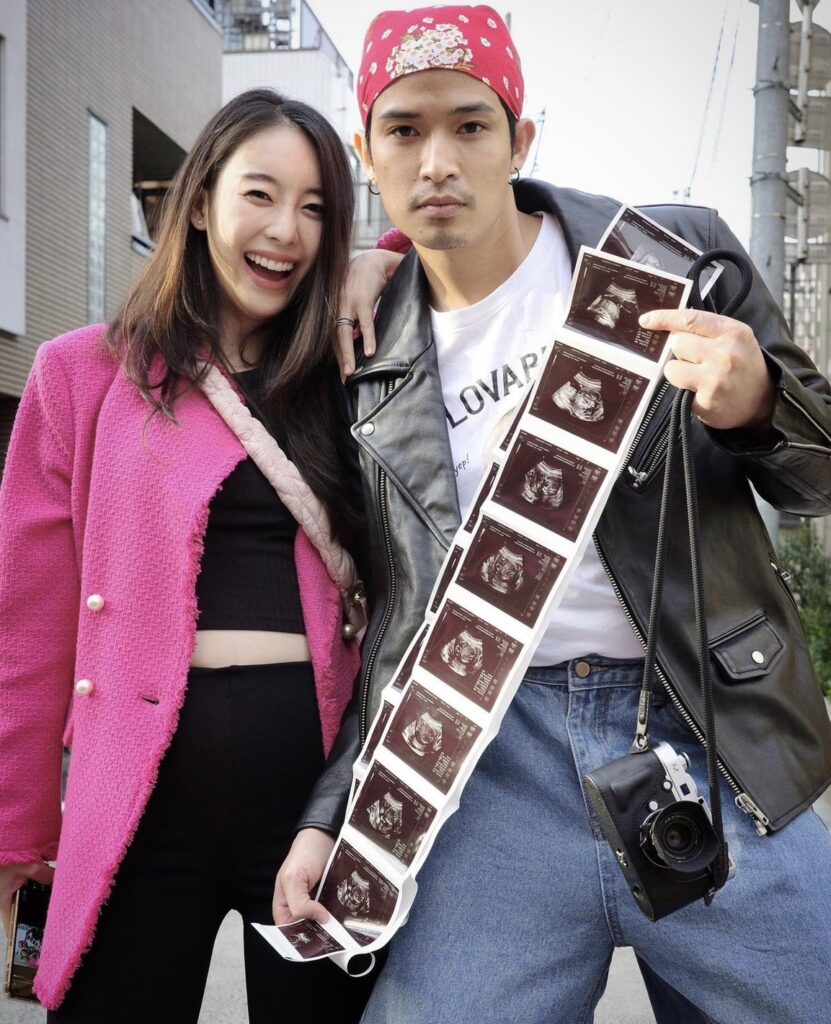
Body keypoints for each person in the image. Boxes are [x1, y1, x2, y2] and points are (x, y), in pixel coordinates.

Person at [274, 7, 831, 1024]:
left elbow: (820, 477)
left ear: (520, 138)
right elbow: (399, 622)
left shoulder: (671, 256)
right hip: (490, 761)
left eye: (470, 126)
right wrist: (333, 813)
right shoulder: (363, 354)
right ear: (365, 150)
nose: (437, 160)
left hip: (704, 728)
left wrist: (760, 404)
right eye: (404, 130)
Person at [0, 88, 373, 1023]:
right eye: (260, 194)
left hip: (316, 790)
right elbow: (28, 626)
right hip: (134, 788)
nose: (286, 231)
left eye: (316, 207)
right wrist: (15, 827)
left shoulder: (355, 373)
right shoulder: (80, 372)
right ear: (200, 202)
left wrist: (388, 255)